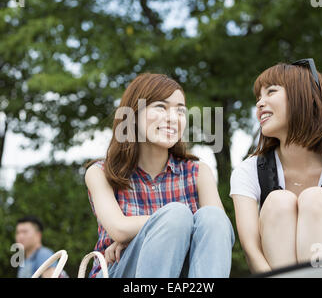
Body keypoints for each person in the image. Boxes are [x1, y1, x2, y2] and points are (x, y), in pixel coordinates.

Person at [230, 59, 322, 274]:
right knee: (278, 202)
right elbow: (252, 252)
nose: (260, 103)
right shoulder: (248, 171)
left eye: (271, 92)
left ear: (305, 98)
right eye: (258, 97)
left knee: (314, 198)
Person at [84, 73, 235, 278]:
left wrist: (147, 230)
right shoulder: (100, 173)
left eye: (180, 110)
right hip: (120, 271)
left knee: (213, 217)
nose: (173, 118)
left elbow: (217, 233)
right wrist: (169, 222)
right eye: (161, 107)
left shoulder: (198, 172)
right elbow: (119, 229)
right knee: (176, 214)